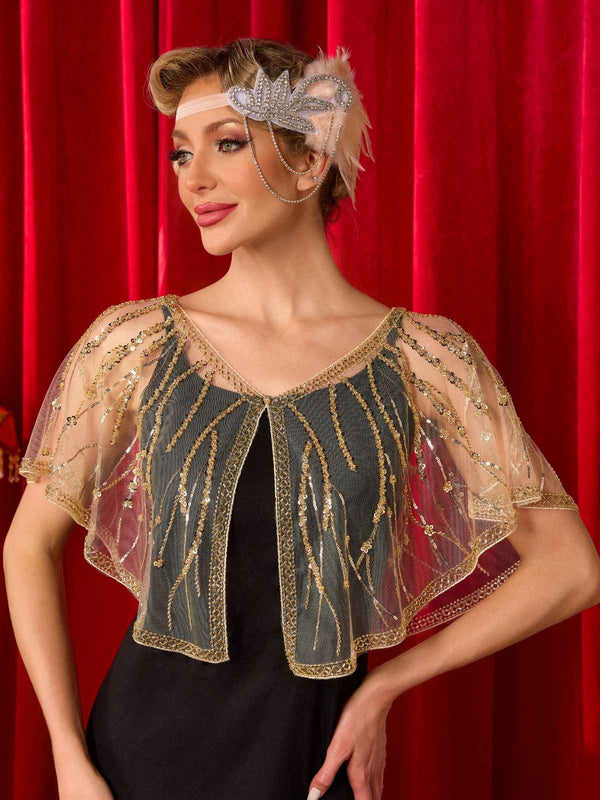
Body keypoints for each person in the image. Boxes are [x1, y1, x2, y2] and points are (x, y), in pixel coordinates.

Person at [4, 36, 600, 800]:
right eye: (181, 153)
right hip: (138, 761)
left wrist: (387, 686)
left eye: (227, 143)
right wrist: (67, 758)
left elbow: (571, 568)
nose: (193, 178)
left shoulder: (426, 359)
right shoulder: (134, 344)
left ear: (312, 161)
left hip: (312, 766)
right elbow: (28, 546)